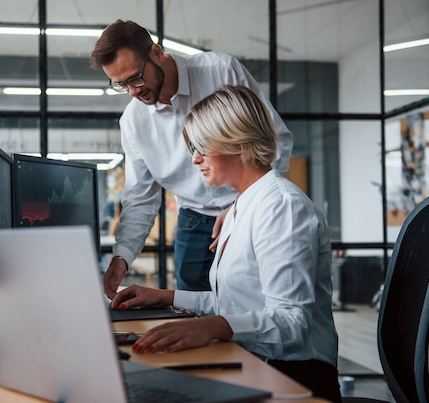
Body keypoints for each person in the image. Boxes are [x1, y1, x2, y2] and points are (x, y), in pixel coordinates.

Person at [109, 85, 341, 403]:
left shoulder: (282, 207)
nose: (195, 159)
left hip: (297, 374)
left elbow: (291, 322)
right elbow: (238, 305)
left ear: (237, 141)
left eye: (202, 146)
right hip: (259, 360)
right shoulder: (240, 205)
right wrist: (168, 296)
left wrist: (214, 327)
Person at [91, 20, 294, 295]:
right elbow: (140, 198)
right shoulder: (133, 122)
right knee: (193, 312)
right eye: (121, 85)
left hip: (250, 210)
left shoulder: (221, 72)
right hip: (194, 222)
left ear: (157, 53)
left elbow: (275, 140)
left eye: (135, 78)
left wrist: (244, 205)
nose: (133, 91)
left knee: (256, 300)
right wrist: (121, 257)